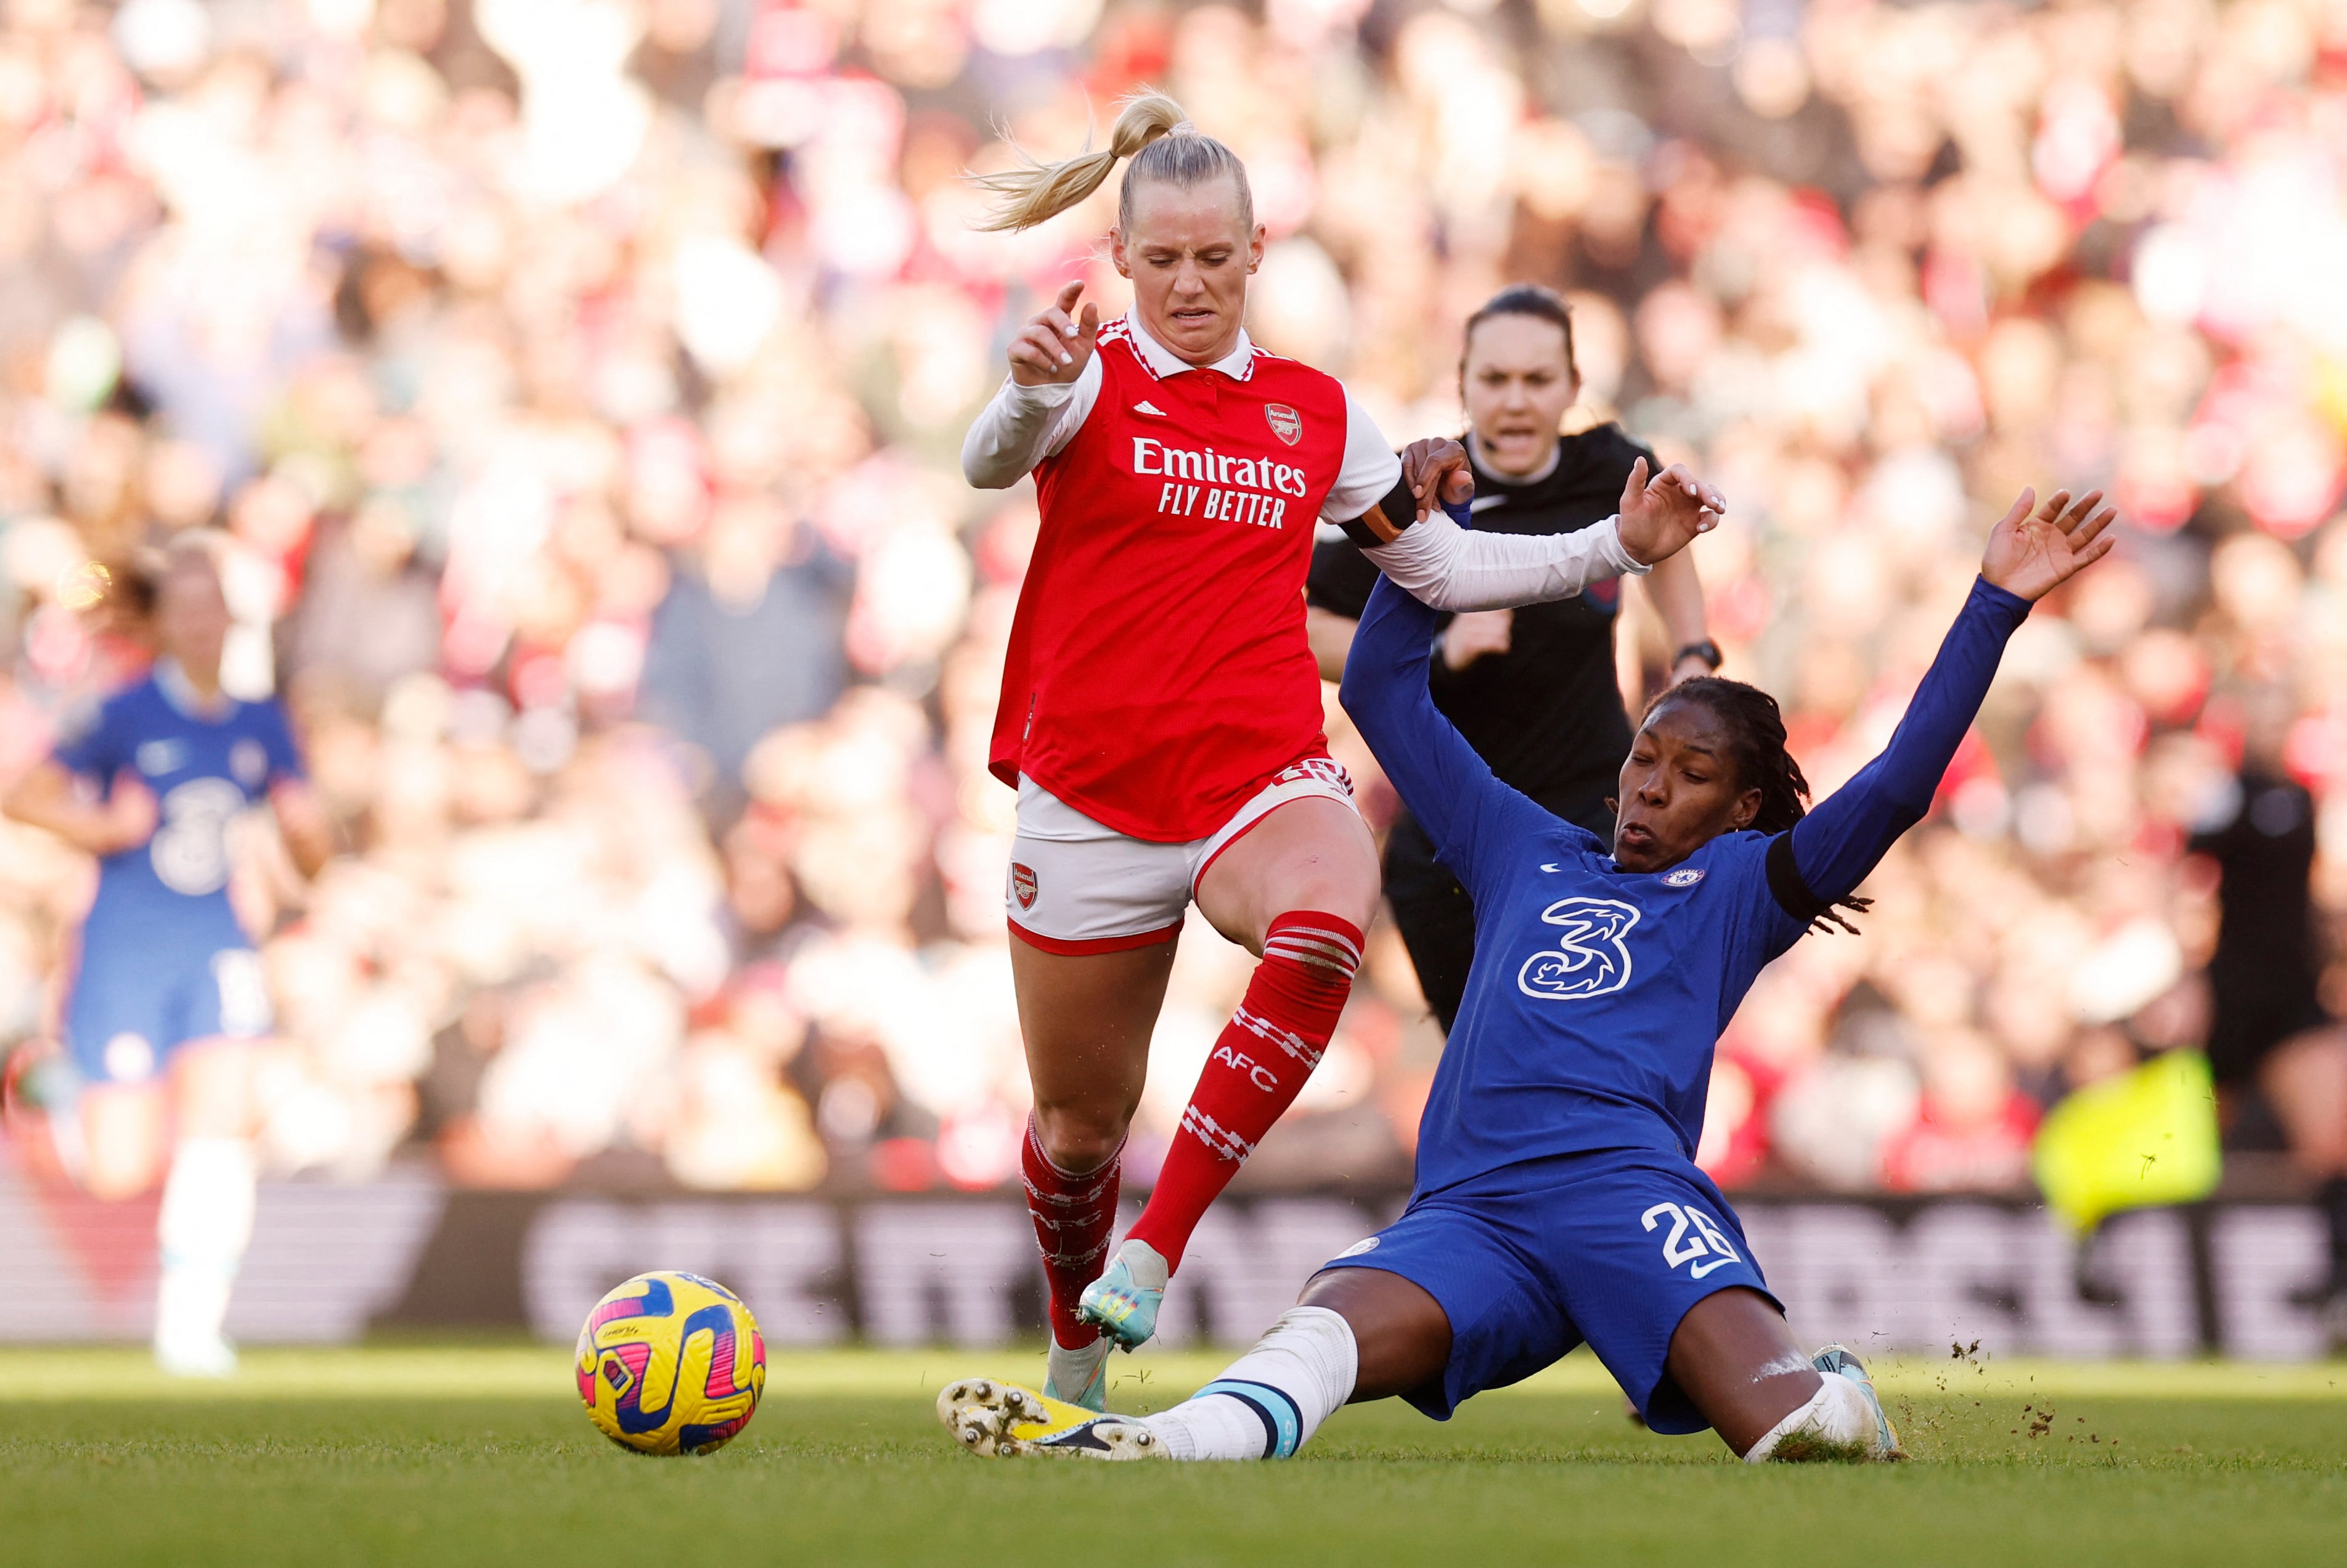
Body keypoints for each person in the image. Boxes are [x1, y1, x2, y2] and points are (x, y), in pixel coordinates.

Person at [937, 484, 2115, 1463]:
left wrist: (1992, 602)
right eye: (1643, 756)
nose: (1647, 784)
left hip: (1623, 1197)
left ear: (1743, 805)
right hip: (1471, 1213)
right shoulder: (1525, 846)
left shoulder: (1747, 889)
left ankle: (1836, 1397)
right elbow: (1379, 690)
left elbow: (1902, 781)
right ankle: (1155, 1443)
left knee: (1788, 1430)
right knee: (1325, 1322)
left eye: (1689, 772)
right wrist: (1408, 532)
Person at [958, 90, 1724, 1410]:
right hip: (1087, 796)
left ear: (1257, 252)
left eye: (1214, 257)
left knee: (1325, 924)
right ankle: (1073, 1348)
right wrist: (1024, 393)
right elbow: (988, 461)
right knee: (1077, 1135)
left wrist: (1614, 548)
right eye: (1161, 259)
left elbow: (1431, 562)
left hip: (1257, 769)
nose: (1189, 283)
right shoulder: (1084, 377)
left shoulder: (1314, 410)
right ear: (1122, 261)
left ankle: (1157, 1249)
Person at [1306, 283, 1717, 1032]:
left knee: (1579, 1044)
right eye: (1495, 380)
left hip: (1590, 815)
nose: (1516, 401)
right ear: (1462, 385)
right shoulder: (1421, 488)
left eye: (1537, 380)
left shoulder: (1612, 470)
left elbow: (1669, 544)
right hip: (1449, 838)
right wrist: (1436, 645)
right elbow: (1303, 625)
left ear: (1572, 387)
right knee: (1484, 1055)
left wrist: (1692, 649)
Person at [3, 544, 332, 1375]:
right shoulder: (122, 712)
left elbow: (310, 847)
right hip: (122, 948)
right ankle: (49, 1087)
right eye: (182, 607)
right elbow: (24, 792)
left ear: (229, 617)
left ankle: (191, 1328)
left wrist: (309, 840)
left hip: (213, 940)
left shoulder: (261, 719)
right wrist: (98, 830)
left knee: (223, 1125)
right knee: (117, 1170)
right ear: (161, 624)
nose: (198, 622)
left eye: (210, 605)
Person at [2187, 738, 2347, 1331]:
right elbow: (2189, 866)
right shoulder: (2227, 794)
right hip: (2231, 997)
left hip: (2289, 997)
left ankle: (2337, 1288)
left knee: (2329, 1150)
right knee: (2202, 1148)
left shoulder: (2304, 798)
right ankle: (2206, 1306)